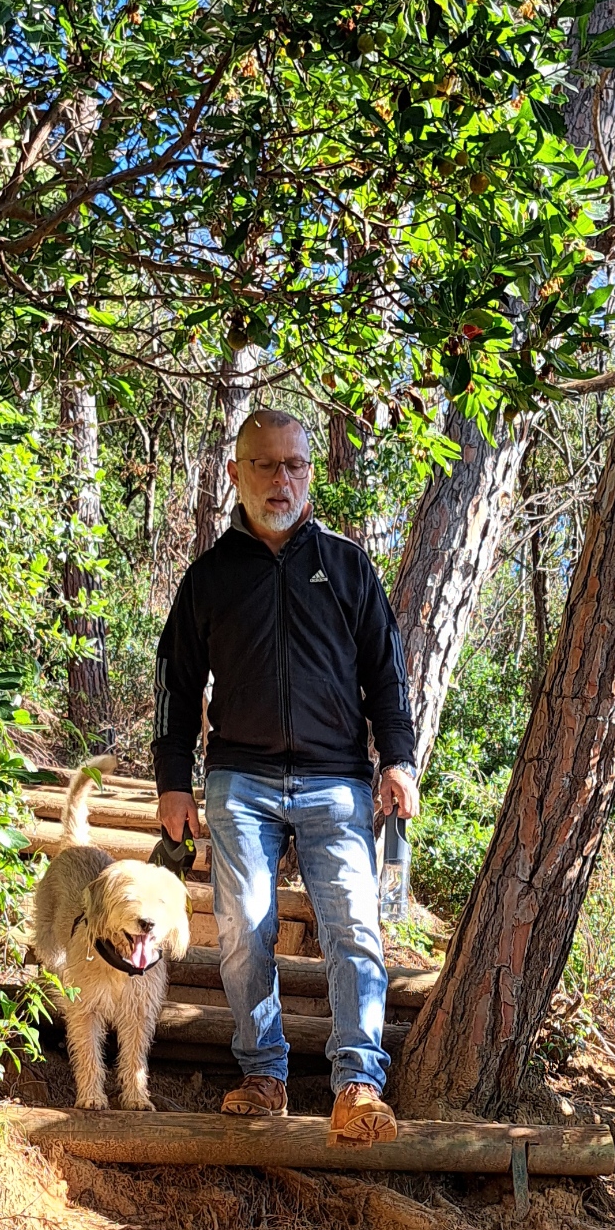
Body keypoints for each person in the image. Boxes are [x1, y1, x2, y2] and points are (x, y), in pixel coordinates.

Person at [154, 406, 420, 1143]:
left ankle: (359, 1085)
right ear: (236, 473)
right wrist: (174, 777)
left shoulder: (346, 566)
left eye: (295, 464)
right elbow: (176, 681)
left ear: (311, 471)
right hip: (239, 778)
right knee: (244, 928)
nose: (283, 479)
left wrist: (397, 758)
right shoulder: (209, 578)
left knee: (356, 929)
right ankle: (263, 1074)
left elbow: (387, 674)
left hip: (338, 779)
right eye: (266, 464)